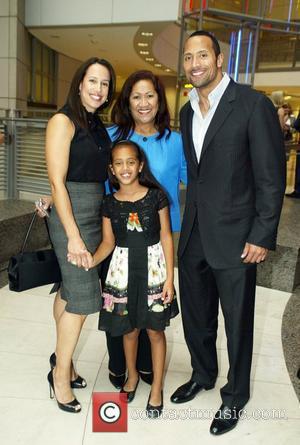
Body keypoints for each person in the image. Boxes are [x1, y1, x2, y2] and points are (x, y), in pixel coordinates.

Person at [170, 30, 286, 435]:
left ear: (219, 60)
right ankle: (203, 374)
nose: (195, 63)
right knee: (197, 316)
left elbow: (271, 179)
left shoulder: (253, 105)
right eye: (188, 57)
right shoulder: (186, 112)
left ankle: (235, 395)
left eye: (203, 55)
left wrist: (261, 234)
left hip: (238, 237)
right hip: (195, 233)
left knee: (237, 322)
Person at [74, 140, 179, 417]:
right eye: (118, 163)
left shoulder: (156, 196)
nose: (125, 168)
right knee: (129, 329)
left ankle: (156, 387)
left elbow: (166, 236)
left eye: (130, 162)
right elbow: (108, 243)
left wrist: (169, 279)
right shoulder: (109, 203)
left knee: (155, 330)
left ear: (140, 165)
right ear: (111, 168)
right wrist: (90, 261)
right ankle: (131, 376)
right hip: (122, 272)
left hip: (153, 271)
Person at [105, 70, 187, 389]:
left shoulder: (176, 142)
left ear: (159, 100)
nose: (143, 103)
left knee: (150, 306)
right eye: (136, 96)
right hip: (119, 236)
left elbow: (193, 182)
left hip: (159, 236)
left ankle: (145, 364)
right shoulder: (113, 136)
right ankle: (120, 365)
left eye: (150, 95)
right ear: (127, 101)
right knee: (122, 304)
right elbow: (97, 181)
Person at [45, 57, 115, 413]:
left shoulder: (97, 123)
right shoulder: (63, 120)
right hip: (71, 215)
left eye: (104, 84)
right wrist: (73, 235)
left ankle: (64, 362)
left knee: (68, 289)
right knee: (85, 296)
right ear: (79, 83)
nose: (98, 89)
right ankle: (60, 376)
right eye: (92, 81)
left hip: (93, 209)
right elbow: (57, 181)